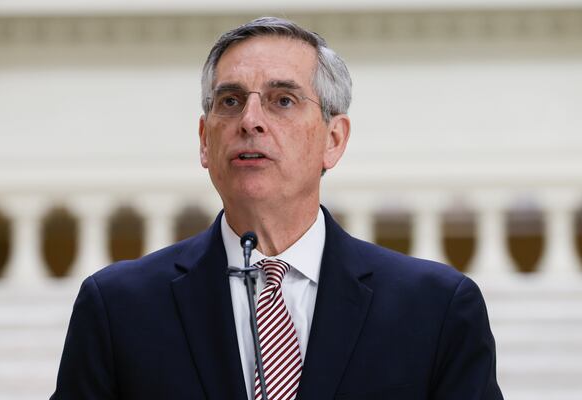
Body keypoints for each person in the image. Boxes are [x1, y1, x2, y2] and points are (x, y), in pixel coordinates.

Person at [51, 17, 503, 400]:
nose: (250, 120)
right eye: (230, 101)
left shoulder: (436, 309)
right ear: (204, 140)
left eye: (282, 100)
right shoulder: (117, 309)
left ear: (334, 139)